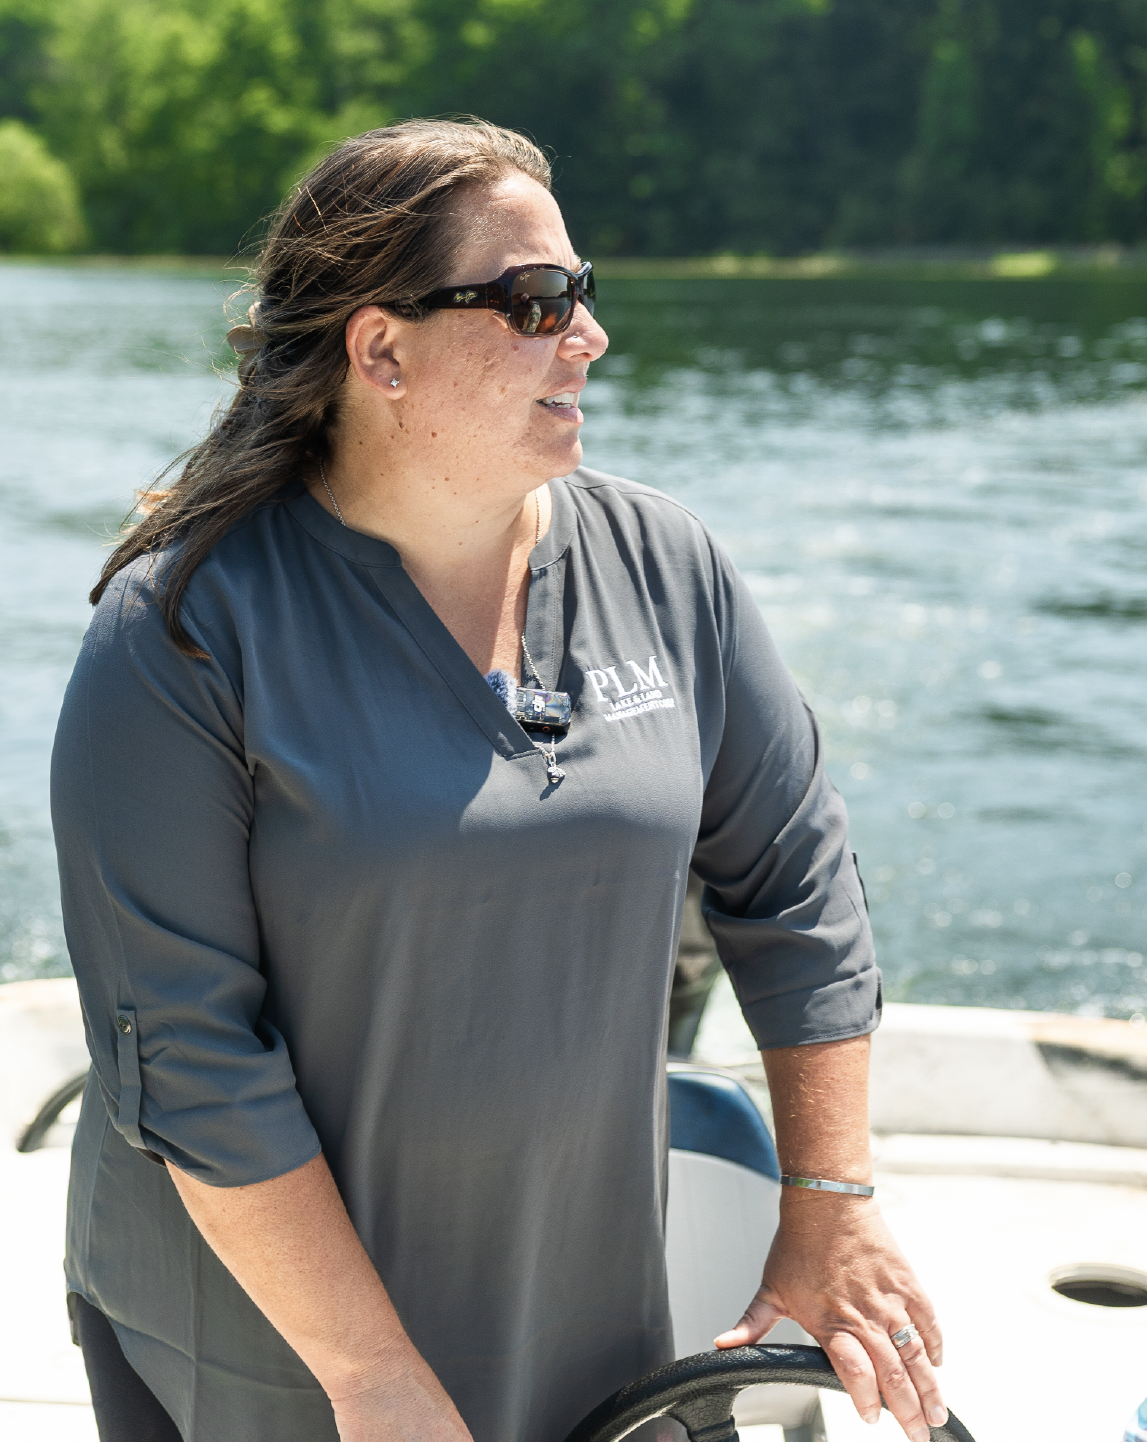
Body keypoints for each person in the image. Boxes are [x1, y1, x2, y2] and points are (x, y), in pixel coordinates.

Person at [52, 118, 948, 1442]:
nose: (587, 336)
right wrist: (372, 1376)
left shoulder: (670, 568)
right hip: (271, 1345)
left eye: (581, 292)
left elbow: (796, 888)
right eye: (535, 302)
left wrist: (830, 1201)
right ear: (381, 351)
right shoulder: (181, 629)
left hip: (579, 1306)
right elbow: (187, 1053)